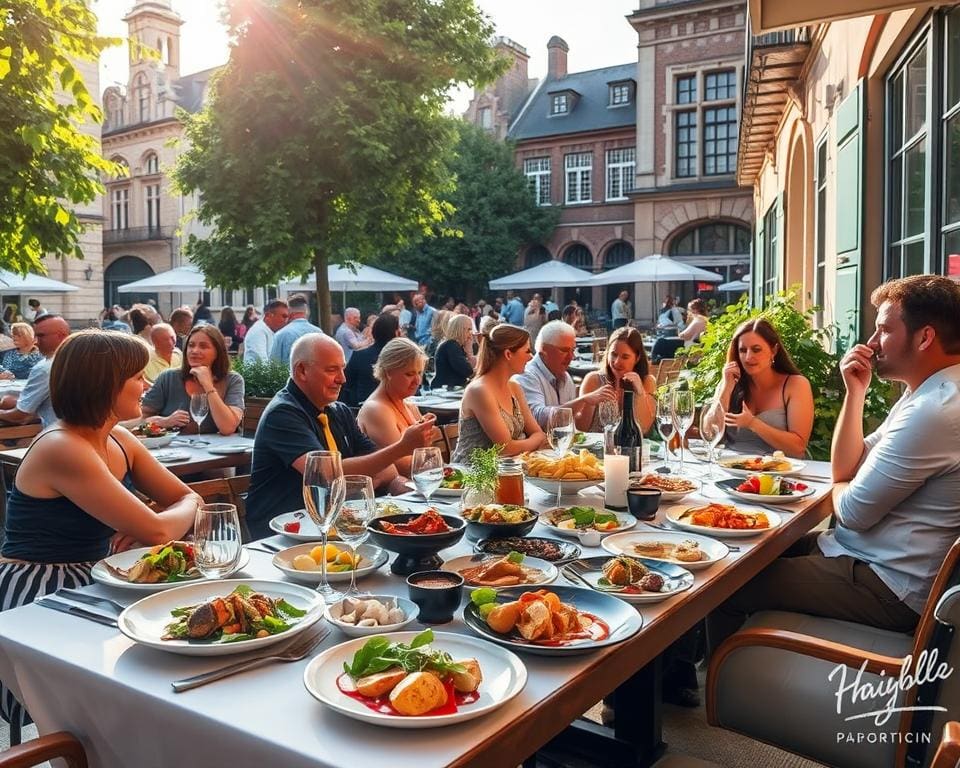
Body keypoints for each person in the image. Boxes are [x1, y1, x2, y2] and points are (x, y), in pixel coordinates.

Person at [708, 274, 960, 658]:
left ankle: (718, 690)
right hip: (859, 555)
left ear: (924, 337)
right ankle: (677, 677)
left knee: (722, 581)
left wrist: (841, 484)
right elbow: (852, 463)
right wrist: (854, 393)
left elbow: (853, 510)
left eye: (882, 330)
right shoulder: (925, 394)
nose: (872, 343)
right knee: (735, 549)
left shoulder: (936, 410)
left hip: (886, 583)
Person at [0, 330, 201, 736]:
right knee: (115, 691)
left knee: (164, 657)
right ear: (105, 383)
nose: (147, 385)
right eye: (138, 377)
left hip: (98, 578)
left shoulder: (119, 438)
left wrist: (152, 521)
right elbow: (165, 527)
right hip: (41, 590)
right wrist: (152, 523)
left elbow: (191, 499)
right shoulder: (63, 446)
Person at [245, 334, 436, 538]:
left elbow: (386, 470)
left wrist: (404, 491)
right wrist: (401, 448)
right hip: (283, 535)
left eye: (342, 368)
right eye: (331, 370)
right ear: (302, 370)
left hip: (338, 527)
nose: (342, 379)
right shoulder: (282, 414)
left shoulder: (339, 411)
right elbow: (326, 476)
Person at [705, 318, 814, 458]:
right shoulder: (730, 382)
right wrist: (726, 388)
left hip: (778, 473)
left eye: (756, 350)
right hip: (730, 469)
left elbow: (797, 448)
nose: (748, 357)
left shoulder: (795, 385)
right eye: (743, 350)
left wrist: (753, 423)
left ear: (773, 350)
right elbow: (709, 433)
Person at [450, 325, 546, 463]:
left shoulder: (514, 387)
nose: (531, 357)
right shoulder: (480, 391)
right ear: (508, 354)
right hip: (472, 476)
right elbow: (506, 449)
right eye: (527, 351)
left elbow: (538, 434)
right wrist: (533, 441)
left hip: (508, 469)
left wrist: (533, 440)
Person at [358, 338, 443, 477]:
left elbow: (425, 460)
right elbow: (404, 467)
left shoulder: (409, 405)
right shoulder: (377, 410)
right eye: (409, 374)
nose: (417, 381)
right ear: (388, 373)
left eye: (420, 373)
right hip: (389, 494)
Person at [514, 320, 617, 431]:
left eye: (572, 350)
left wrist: (589, 404)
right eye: (564, 350)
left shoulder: (565, 377)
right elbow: (538, 418)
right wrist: (583, 400)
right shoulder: (527, 375)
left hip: (558, 446)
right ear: (544, 349)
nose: (571, 357)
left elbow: (573, 424)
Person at [140, 325, 244, 435]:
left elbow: (227, 428)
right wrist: (164, 421)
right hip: (172, 449)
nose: (194, 351)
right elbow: (140, 420)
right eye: (191, 345)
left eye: (203, 346)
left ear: (217, 352)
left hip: (216, 450)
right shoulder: (168, 378)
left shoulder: (233, 380)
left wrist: (208, 385)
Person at [579, 326, 657, 434]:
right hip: (597, 449)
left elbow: (644, 428)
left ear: (637, 358)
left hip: (632, 448)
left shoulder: (647, 382)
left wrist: (640, 392)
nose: (616, 362)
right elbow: (582, 428)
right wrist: (589, 402)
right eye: (614, 354)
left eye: (625, 357)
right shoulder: (593, 380)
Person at [0, 314, 71, 426]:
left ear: (61, 336)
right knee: (8, 400)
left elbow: (19, 416)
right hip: (79, 431)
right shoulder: (79, 359)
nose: (36, 342)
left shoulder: (45, 367)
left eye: (41, 336)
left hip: (54, 432)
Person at [341, 313, 402, 407]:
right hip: (393, 408)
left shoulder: (359, 356)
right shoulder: (400, 358)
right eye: (399, 329)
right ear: (396, 333)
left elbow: (346, 384)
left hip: (359, 408)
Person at [270, 294, 322, 365]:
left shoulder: (281, 334)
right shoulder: (319, 333)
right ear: (306, 312)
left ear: (289, 312)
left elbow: (274, 365)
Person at [433, 314, 476, 389]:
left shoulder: (454, 345)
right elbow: (467, 371)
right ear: (460, 329)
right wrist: (469, 352)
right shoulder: (451, 345)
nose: (470, 333)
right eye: (468, 329)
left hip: (451, 389)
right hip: (445, 391)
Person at [242, 299, 289, 364]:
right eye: (284, 316)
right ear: (268, 316)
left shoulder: (271, 331)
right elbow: (262, 363)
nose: (286, 320)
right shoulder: (258, 331)